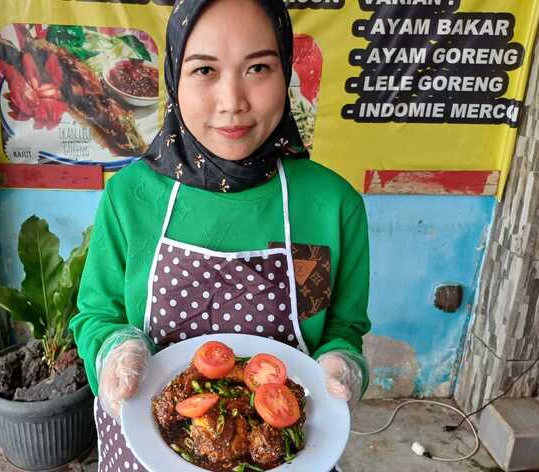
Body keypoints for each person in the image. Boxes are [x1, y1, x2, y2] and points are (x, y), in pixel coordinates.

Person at [69, 0, 371, 469]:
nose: (233, 101)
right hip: (145, 450)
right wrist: (115, 353)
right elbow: (96, 315)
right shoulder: (129, 197)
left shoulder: (332, 205)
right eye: (205, 70)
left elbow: (339, 331)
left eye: (258, 68)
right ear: (173, 78)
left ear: (286, 71)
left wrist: (341, 367)